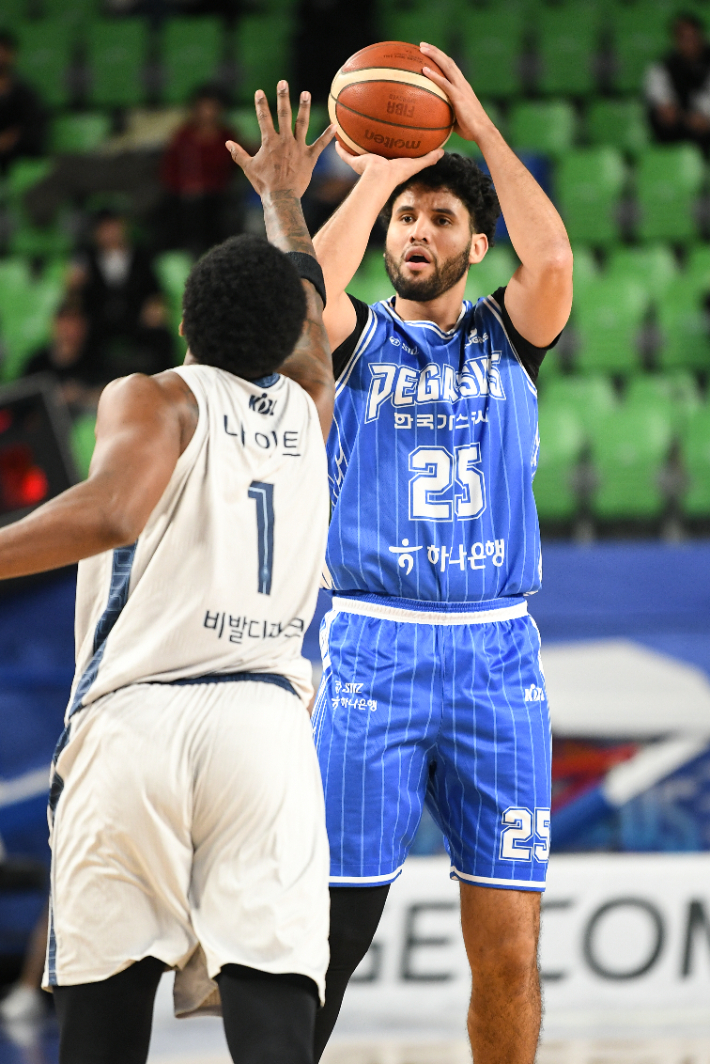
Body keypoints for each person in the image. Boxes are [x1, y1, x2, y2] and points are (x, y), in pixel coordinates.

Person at [0, 83, 335, 1064]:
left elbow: (108, 510)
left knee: (106, 1009)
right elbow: (311, 330)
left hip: (140, 719)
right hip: (265, 725)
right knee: (272, 1007)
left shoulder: (152, 396)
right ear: (278, 339)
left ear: (184, 321)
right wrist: (284, 203)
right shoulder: (311, 408)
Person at [310, 43, 573, 1064]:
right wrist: (379, 164)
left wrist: (469, 118)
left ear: (474, 245)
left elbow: (549, 261)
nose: (417, 231)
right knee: (328, 939)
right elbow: (302, 282)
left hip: (494, 655)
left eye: (439, 219)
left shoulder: (509, 338)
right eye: (406, 219)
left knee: (508, 950)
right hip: (372, 647)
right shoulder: (354, 337)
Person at [69, 209, 174, 380]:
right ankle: (91, 384)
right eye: (104, 228)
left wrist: (154, 307)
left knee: (160, 335)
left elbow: (154, 291)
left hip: (135, 318)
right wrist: (74, 287)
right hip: (99, 321)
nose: (109, 233)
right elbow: (75, 295)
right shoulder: (85, 257)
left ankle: (164, 382)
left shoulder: (141, 256)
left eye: (113, 227)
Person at [159, 84, 238, 255]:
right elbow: (169, 171)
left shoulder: (227, 137)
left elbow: (234, 168)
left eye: (212, 108)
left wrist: (208, 186)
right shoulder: (183, 136)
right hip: (182, 198)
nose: (207, 113)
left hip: (216, 198)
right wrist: (184, 186)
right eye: (203, 107)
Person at [22, 302, 104, 416]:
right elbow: (22, 401)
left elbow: (109, 394)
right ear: (54, 324)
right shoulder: (36, 363)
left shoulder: (97, 360)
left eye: (75, 322)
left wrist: (82, 395)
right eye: (65, 322)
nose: (70, 329)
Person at [645, 12, 710, 153]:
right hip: (680, 128)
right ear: (675, 40)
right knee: (656, 117)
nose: (689, 43)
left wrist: (704, 116)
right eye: (683, 38)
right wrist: (686, 118)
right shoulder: (663, 66)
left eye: (693, 37)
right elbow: (665, 106)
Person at [0, 30, 45, 173]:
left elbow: (33, 133)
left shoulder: (26, 95)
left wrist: (10, 140)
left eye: (3, 52)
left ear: (12, 55)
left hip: (17, 161)